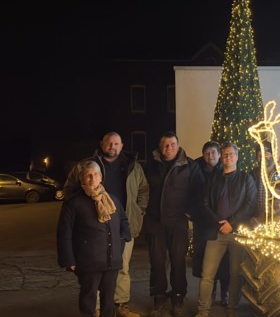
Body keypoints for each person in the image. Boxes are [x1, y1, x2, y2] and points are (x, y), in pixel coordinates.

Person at [63, 132, 149, 317]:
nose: (112, 147)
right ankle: (95, 309)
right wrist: (78, 207)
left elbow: (143, 189)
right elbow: (69, 189)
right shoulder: (85, 165)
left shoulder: (132, 166)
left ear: (122, 145)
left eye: (116, 143)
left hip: (121, 225)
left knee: (121, 269)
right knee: (94, 275)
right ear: (102, 144)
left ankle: (121, 306)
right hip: (92, 230)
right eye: (109, 143)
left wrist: (138, 211)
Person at [57, 160, 131, 317]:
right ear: (82, 179)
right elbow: (64, 233)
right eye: (88, 175)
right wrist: (69, 259)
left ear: (101, 177)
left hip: (111, 261)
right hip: (88, 261)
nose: (92, 178)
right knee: (88, 301)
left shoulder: (112, 199)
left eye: (95, 174)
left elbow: (123, 221)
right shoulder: (74, 203)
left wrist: (123, 238)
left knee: (108, 302)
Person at [144, 131, 204, 317]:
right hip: (155, 221)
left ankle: (178, 297)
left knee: (178, 261)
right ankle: (159, 296)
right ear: (160, 147)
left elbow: (200, 191)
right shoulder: (151, 165)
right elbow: (142, 188)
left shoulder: (190, 166)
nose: (168, 148)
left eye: (172, 144)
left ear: (178, 146)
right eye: (165, 145)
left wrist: (190, 212)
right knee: (157, 261)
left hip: (178, 222)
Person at [195, 142, 257, 317]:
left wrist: (232, 224)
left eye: (231, 154)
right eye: (225, 155)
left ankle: (232, 309)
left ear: (237, 157)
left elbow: (250, 205)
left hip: (237, 233)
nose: (228, 157)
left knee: (236, 274)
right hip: (216, 233)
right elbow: (205, 203)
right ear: (222, 158)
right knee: (207, 274)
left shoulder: (246, 179)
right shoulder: (213, 179)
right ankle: (203, 311)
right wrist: (218, 224)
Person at [192, 141, 230, 307]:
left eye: (213, 153)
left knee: (225, 260)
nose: (211, 156)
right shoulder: (196, 169)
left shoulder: (226, 170)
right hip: (204, 223)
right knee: (206, 262)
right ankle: (210, 294)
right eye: (207, 154)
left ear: (219, 154)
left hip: (223, 223)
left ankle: (225, 293)